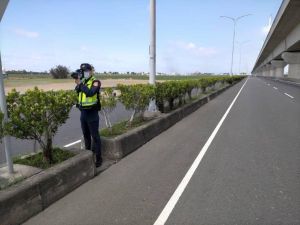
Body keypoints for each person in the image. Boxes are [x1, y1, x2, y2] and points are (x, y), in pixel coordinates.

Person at [75, 63, 102, 167]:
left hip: (92, 113)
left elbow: (91, 93)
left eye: (86, 71)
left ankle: (98, 159)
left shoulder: (96, 82)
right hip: (83, 113)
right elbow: (77, 91)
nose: (85, 73)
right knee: (86, 136)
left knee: (95, 137)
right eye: (83, 71)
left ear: (91, 71)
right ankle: (88, 156)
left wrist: (81, 84)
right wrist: (78, 83)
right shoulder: (82, 81)